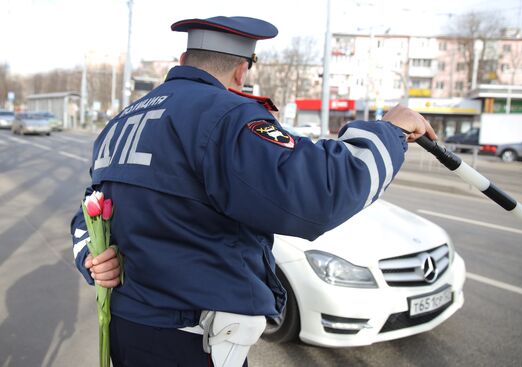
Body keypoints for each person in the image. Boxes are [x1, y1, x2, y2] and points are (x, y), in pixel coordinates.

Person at [70, 16, 436, 367]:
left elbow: (90, 210)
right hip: (191, 341)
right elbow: (320, 193)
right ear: (241, 70)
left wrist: (91, 256)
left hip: (127, 328)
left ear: (182, 62)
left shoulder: (121, 121)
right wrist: (390, 132)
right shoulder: (226, 114)